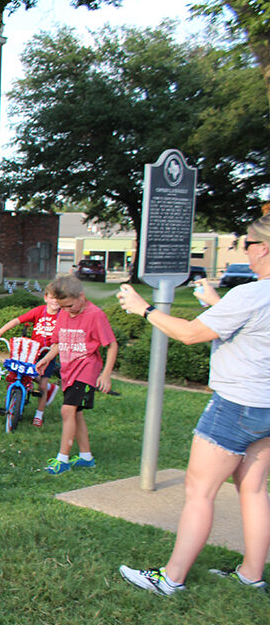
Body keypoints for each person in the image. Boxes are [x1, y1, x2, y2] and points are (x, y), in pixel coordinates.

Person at [116, 213, 270, 597]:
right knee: (253, 490)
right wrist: (218, 304)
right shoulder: (252, 298)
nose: (244, 250)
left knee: (198, 491)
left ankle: (170, 579)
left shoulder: (251, 295)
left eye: (247, 244)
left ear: (263, 248)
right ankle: (252, 575)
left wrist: (143, 309)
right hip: (266, 408)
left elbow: (188, 334)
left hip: (235, 406)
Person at [35, 275, 117, 475]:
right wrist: (47, 358)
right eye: (63, 307)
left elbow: (112, 344)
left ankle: (62, 459)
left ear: (81, 296)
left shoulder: (95, 315)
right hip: (68, 370)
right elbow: (59, 342)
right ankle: (86, 457)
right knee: (76, 413)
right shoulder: (63, 314)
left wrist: (106, 374)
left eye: (70, 305)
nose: (67, 310)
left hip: (86, 369)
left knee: (66, 411)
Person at [0, 286, 62, 427]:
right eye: (52, 297)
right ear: (46, 298)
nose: (55, 301)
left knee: (41, 385)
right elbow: (17, 320)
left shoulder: (62, 316)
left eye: (58, 298)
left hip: (48, 353)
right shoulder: (40, 311)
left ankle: (39, 414)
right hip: (32, 351)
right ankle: (17, 400)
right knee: (21, 373)